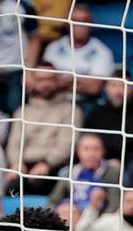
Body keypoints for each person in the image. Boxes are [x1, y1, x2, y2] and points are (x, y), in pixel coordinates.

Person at [5, 64, 82, 195]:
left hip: (53, 165)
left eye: (50, 79)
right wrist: (16, 163)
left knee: (39, 184)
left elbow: (67, 145)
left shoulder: (70, 110)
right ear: (33, 82)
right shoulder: (22, 112)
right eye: (40, 79)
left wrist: (47, 163)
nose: (45, 84)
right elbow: (14, 143)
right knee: (13, 187)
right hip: (23, 165)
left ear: (57, 80)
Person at [0, 0, 39, 113]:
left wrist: (29, 71)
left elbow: (34, 38)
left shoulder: (23, 5)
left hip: (14, 69)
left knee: (15, 110)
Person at [84, 70, 133, 162]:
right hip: (104, 163)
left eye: (123, 86)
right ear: (106, 88)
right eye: (113, 85)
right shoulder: (97, 113)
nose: (118, 91)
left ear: (132, 89)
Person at [42, 3, 114, 98]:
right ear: (67, 23)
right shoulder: (53, 48)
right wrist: (79, 80)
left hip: (85, 102)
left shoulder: (102, 51)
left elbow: (94, 88)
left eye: (84, 21)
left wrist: (61, 82)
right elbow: (44, 81)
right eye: (75, 21)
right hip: (54, 100)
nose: (79, 25)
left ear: (91, 23)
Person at [47, 132, 120, 212]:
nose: (91, 154)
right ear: (78, 152)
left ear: (103, 151)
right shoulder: (71, 172)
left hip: (99, 218)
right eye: (86, 149)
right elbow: (53, 201)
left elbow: (114, 204)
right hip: (72, 215)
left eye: (96, 149)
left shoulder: (111, 172)